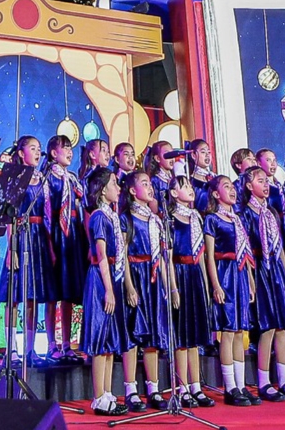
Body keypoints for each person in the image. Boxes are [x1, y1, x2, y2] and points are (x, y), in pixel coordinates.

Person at [242, 167, 285, 402]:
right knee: (267, 327)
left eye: (266, 181)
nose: (265, 185)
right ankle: (264, 381)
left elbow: (280, 248)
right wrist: (250, 278)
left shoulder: (272, 213)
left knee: (282, 327)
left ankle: (284, 381)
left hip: (276, 269)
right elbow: (245, 249)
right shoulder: (246, 214)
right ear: (249, 186)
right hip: (260, 268)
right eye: (260, 181)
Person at [0, 136, 57, 365]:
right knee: (14, 296)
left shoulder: (42, 179)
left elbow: (48, 216)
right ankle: (11, 349)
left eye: (39, 149)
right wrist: (12, 248)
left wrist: (50, 246)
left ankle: (30, 349)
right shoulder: (14, 178)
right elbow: (9, 217)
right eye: (33, 148)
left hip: (39, 238)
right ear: (21, 153)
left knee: (33, 297)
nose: (38, 152)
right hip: (21, 237)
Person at [121, 170, 173, 412]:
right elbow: (122, 255)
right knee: (133, 334)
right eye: (144, 183)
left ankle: (154, 388)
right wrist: (129, 286)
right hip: (136, 275)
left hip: (153, 279)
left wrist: (168, 286)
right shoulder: (126, 219)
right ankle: (130, 389)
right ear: (133, 191)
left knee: (153, 334)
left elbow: (161, 256)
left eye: (150, 183)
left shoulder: (155, 220)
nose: (150, 187)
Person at [81, 169, 131, 416]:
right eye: (113, 183)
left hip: (113, 276)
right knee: (100, 341)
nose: (118, 188)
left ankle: (108, 393)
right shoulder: (99, 217)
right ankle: (99, 396)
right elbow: (101, 256)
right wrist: (109, 290)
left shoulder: (112, 216)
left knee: (110, 341)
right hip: (101, 280)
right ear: (102, 189)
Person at [205, 175, 258, 406]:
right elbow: (209, 256)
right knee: (227, 332)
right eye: (226, 187)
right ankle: (229, 387)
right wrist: (216, 285)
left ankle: (241, 384)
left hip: (240, 275)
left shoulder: (237, 219)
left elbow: (244, 253)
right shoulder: (212, 220)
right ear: (216, 194)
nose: (232, 190)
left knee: (239, 331)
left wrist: (250, 281)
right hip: (224, 274)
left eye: (232, 186)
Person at [169, 178, 216, 408]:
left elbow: (203, 255)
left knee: (195, 334)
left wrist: (206, 284)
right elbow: (168, 258)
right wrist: (173, 287)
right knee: (182, 335)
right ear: (173, 193)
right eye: (184, 186)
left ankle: (196, 386)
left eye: (189, 186)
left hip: (196, 274)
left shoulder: (197, 217)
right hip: (180, 273)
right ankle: (183, 387)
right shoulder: (170, 220)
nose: (190, 189)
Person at [44, 135, 88, 363]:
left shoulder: (72, 179)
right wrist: (49, 242)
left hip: (72, 234)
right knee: (53, 293)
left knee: (68, 293)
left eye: (71, 148)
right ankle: (51, 343)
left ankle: (68, 344)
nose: (70, 152)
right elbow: (45, 210)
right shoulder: (47, 177)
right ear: (54, 153)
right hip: (55, 232)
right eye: (65, 148)